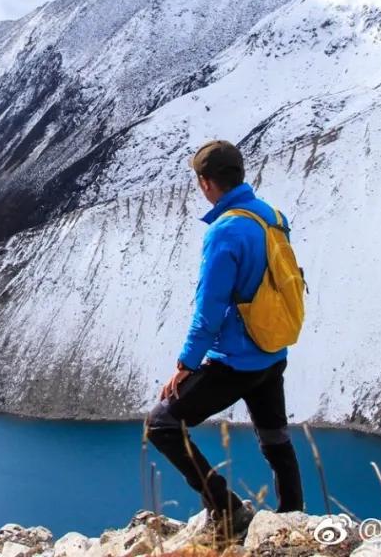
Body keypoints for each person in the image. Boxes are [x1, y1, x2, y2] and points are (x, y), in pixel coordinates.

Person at [146, 139, 304, 540]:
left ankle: (226, 507)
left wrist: (185, 365)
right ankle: (293, 520)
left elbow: (210, 309)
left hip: (235, 360)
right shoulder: (271, 216)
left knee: (162, 425)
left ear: (205, 183)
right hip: (272, 350)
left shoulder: (225, 230)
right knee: (275, 437)